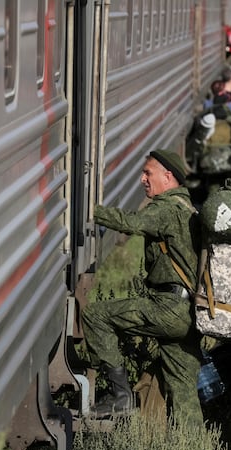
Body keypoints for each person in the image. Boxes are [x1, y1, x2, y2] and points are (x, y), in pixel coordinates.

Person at [81, 150, 203, 426]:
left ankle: (120, 396)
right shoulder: (187, 208)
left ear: (167, 177)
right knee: (184, 394)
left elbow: (131, 223)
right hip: (190, 312)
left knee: (96, 315)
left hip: (168, 309)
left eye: (148, 173)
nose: (142, 179)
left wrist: (88, 211)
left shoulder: (167, 209)